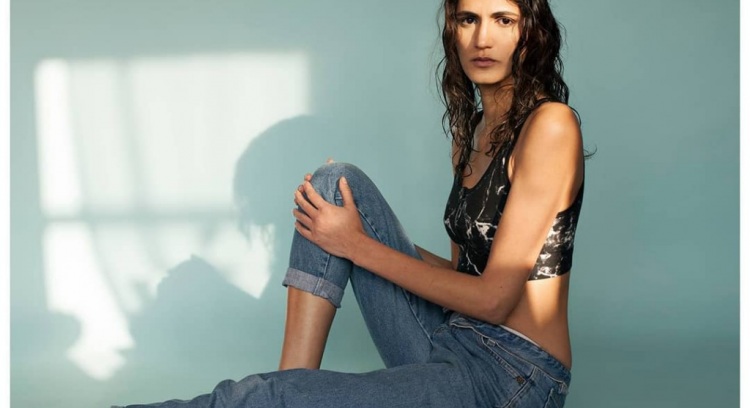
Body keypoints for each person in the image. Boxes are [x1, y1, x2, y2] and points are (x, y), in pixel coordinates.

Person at [115, 0, 584, 406]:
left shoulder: (550, 126)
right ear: (453, 30)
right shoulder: (472, 134)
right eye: (468, 20)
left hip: (512, 375)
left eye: (503, 20)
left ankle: (285, 393)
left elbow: (494, 300)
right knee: (332, 186)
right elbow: (463, 276)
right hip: (451, 339)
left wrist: (356, 245)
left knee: (266, 397)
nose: (482, 38)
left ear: (530, 31)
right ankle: (292, 381)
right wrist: (349, 231)